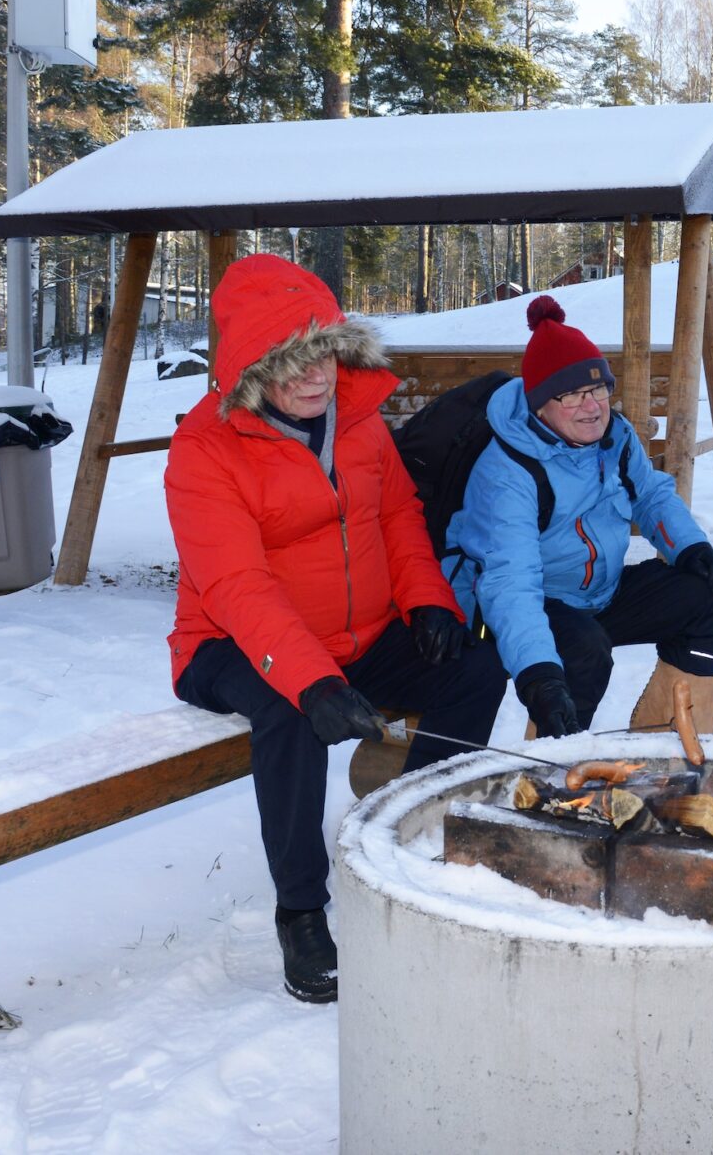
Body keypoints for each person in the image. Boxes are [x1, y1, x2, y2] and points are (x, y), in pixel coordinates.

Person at [164, 255, 507, 1004]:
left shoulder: (355, 421)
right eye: (294, 361)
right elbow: (236, 585)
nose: (317, 376)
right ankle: (301, 912)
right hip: (230, 645)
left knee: (476, 670)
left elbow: (395, 516)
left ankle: (408, 837)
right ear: (253, 368)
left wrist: (429, 604)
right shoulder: (203, 451)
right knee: (286, 709)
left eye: (326, 352)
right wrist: (312, 679)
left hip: (355, 637)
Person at [445, 297, 713, 741]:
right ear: (540, 404)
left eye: (599, 389)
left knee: (709, 595)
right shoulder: (508, 472)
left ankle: (668, 745)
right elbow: (510, 582)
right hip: (510, 610)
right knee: (583, 651)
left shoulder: (613, 437)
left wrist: (691, 546)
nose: (592, 407)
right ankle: (556, 772)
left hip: (598, 596)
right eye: (571, 395)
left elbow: (652, 495)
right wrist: (539, 674)